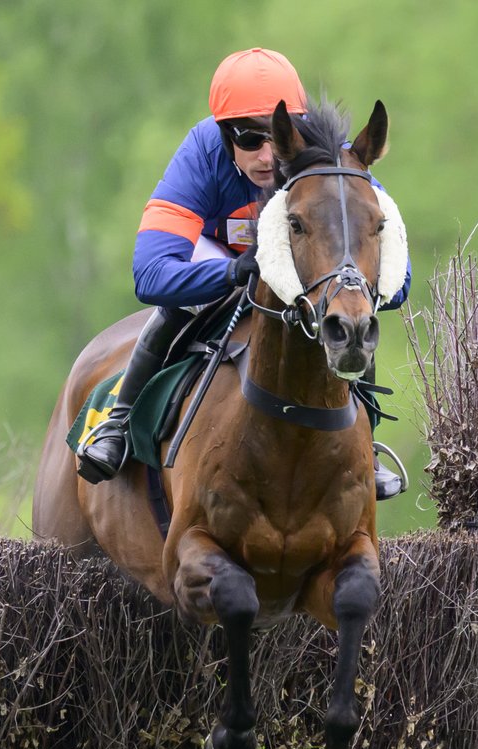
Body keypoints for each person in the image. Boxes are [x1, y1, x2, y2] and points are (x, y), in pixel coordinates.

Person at [77, 47, 410, 499]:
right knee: (178, 307)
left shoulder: (334, 159)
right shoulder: (200, 155)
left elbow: (397, 279)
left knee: (351, 306)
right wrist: (233, 271)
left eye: (279, 134)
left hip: (300, 267)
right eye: (249, 140)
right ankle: (118, 422)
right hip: (222, 256)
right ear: (222, 133)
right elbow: (150, 275)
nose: (269, 155)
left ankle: (366, 444)